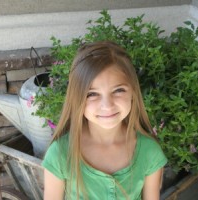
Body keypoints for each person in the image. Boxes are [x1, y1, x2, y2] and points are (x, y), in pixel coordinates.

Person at [42, 41, 167, 200]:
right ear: (77, 98)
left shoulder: (149, 152)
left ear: (133, 93)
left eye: (118, 90)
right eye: (92, 94)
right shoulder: (60, 155)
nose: (107, 106)